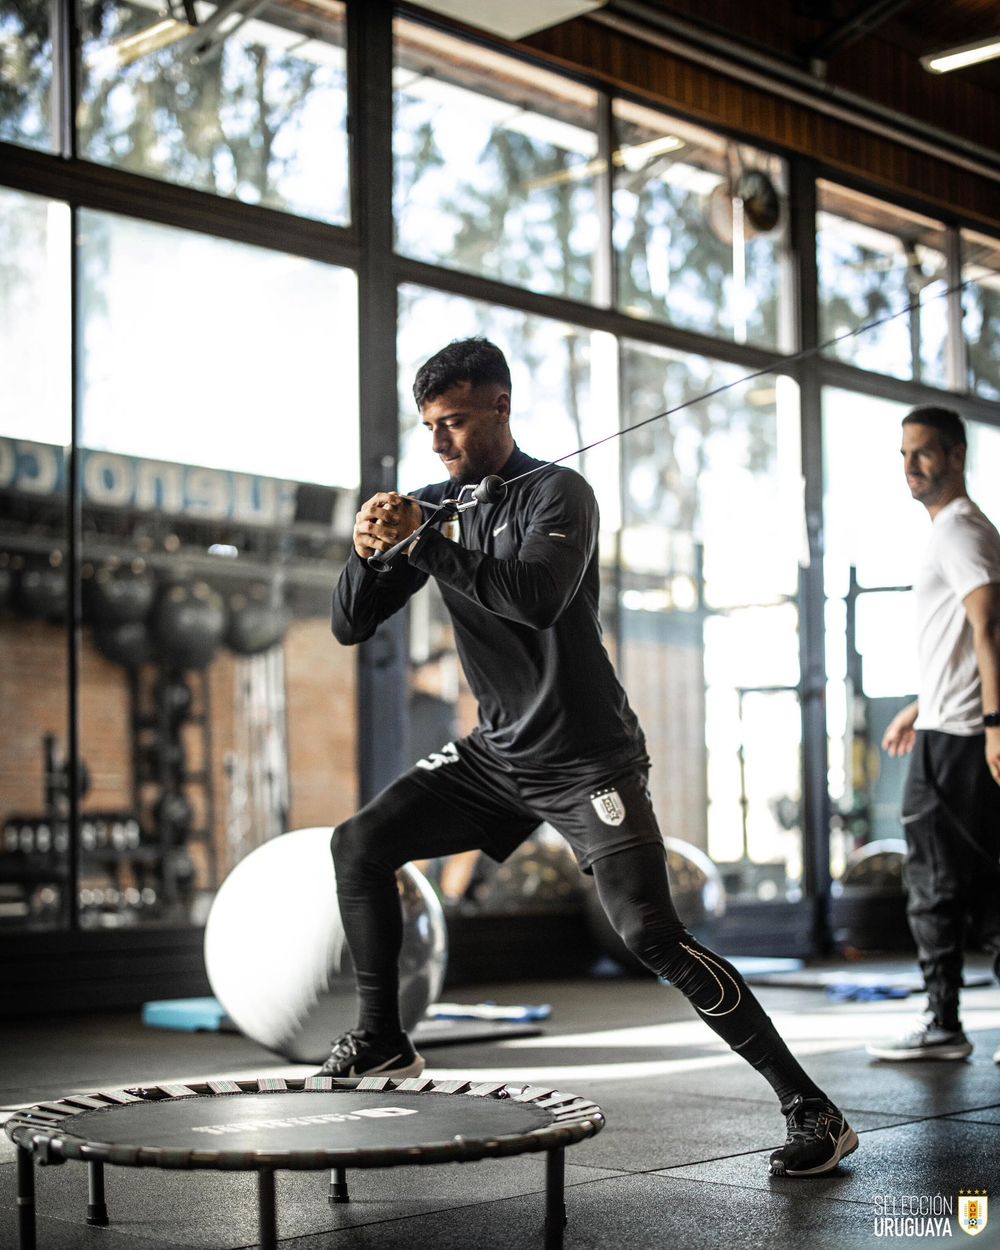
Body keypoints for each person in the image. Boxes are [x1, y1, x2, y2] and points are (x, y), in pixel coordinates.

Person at [324, 337, 858, 1177]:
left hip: (587, 759)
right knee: (357, 844)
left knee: (651, 933)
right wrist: (363, 555)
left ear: (500, 406)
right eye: (430, 427)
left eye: (454, 422)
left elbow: (535, 599)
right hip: (498, 756)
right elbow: (352, 625)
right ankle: (384, 1040)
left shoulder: (557, 493)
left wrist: (423, 540)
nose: (440, 444)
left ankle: (812, 1109)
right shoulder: (436, 505)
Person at [867, 406, 1000, 1064]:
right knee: (980, 875)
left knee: (938, 881)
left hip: (962, 739)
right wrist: (920, 706)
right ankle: (945, 1020)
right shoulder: (961, 531)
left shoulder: (959, 531)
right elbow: (965, 642)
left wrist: (995, 725)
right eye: (903, 454)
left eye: (923, 453)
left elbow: (991, 631)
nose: (911, 466)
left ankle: (943, 1025)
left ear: (956, 456)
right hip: (951, 724)